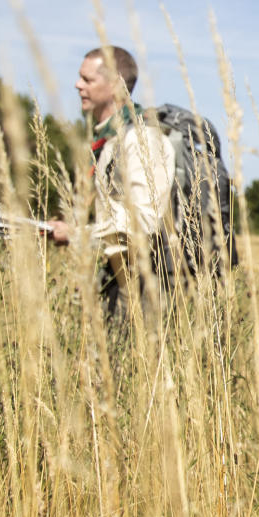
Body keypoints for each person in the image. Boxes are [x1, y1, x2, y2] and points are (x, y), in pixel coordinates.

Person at [50, 45, 176, 321]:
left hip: (146, 288)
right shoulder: (112, 139)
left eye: (87, 79)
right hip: (119, 281)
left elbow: (145, 221)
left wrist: (77, 234)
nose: (77, 85)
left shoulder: (142, 140)